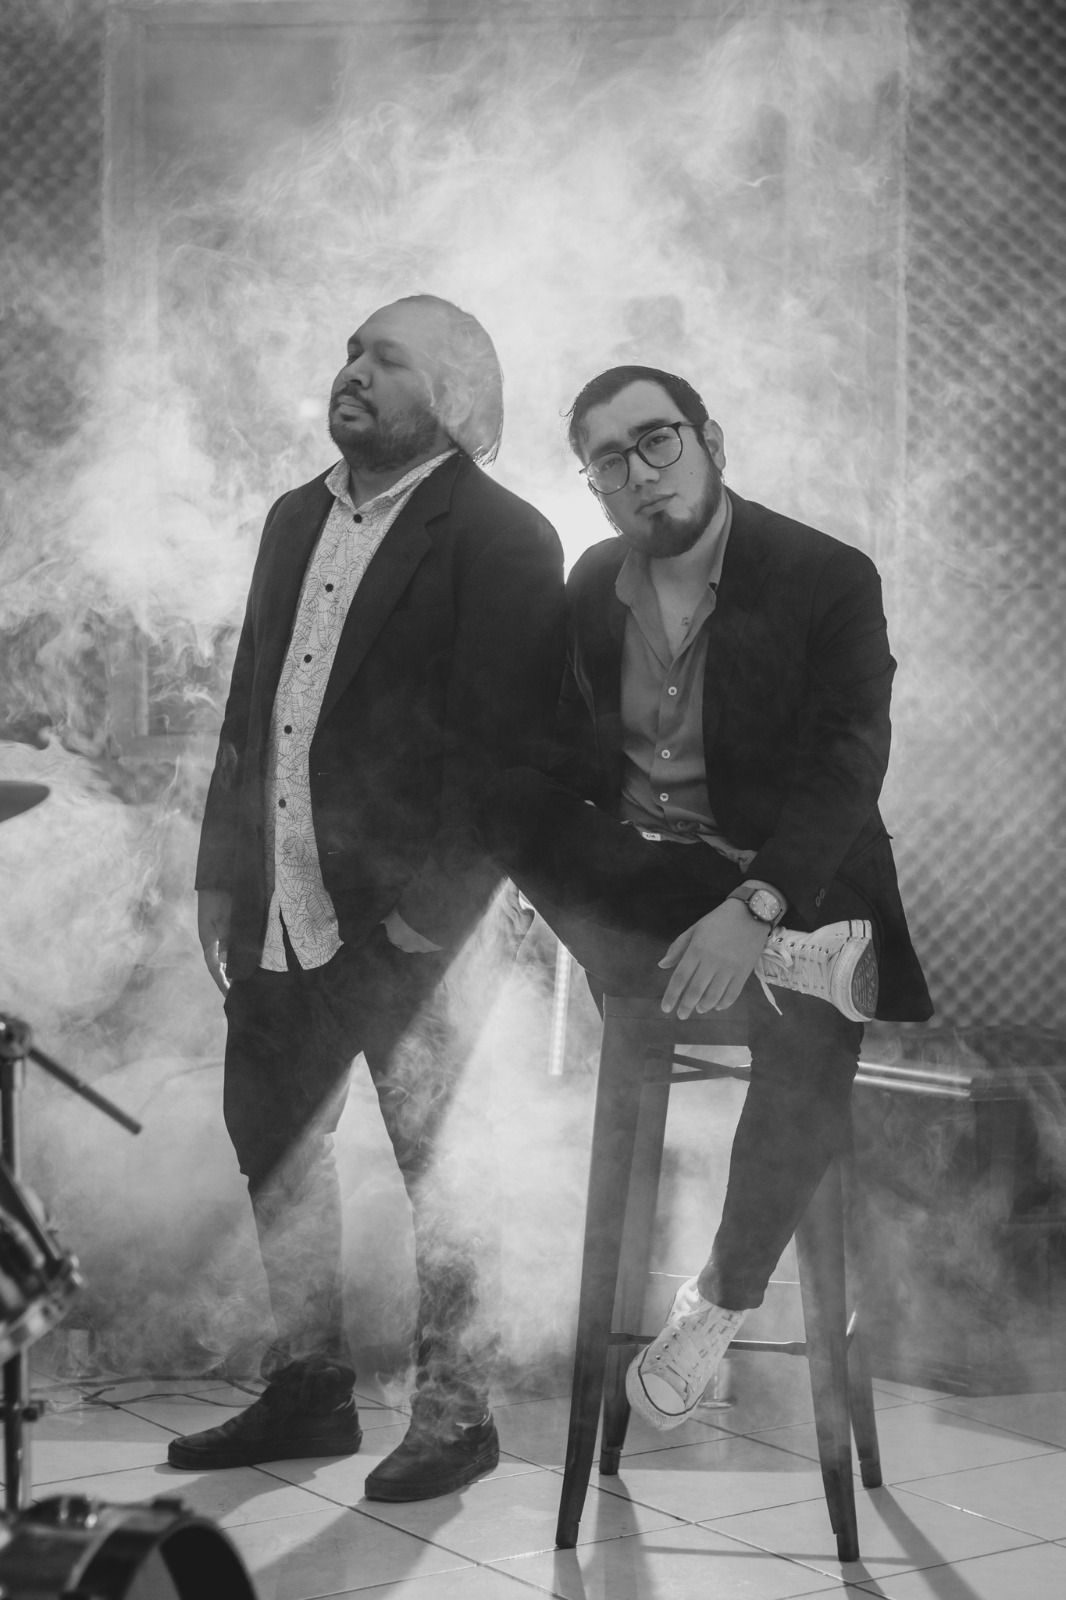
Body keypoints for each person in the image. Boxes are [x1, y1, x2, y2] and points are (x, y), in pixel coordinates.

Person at [484, 364, 932, 1430]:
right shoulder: (595, 580)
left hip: (802, 877)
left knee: (810, 1040)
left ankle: (720, 1298)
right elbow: (563, 755)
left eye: (657, 440)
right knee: (496, 790)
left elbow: (847, 764)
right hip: (654, 889)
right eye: (608, 460)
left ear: (708, 440)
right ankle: (781, 961)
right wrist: (535, 870)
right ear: (594, 486)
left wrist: (760, 902)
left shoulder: (825, 574)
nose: (639, 472)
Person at [170, 294, 565, 1500]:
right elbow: (253, 708)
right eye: (350, 351)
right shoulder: (295, 514)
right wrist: (221, 870)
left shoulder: (502, 535)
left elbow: (512, 758)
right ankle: (310, 1388)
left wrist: (426, 917)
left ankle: (455, 1414)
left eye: (386, 358)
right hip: (278, 900)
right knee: (277, 1143)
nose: (353, 371)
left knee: (442, 1171)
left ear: (452, 395)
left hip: (419, 926)